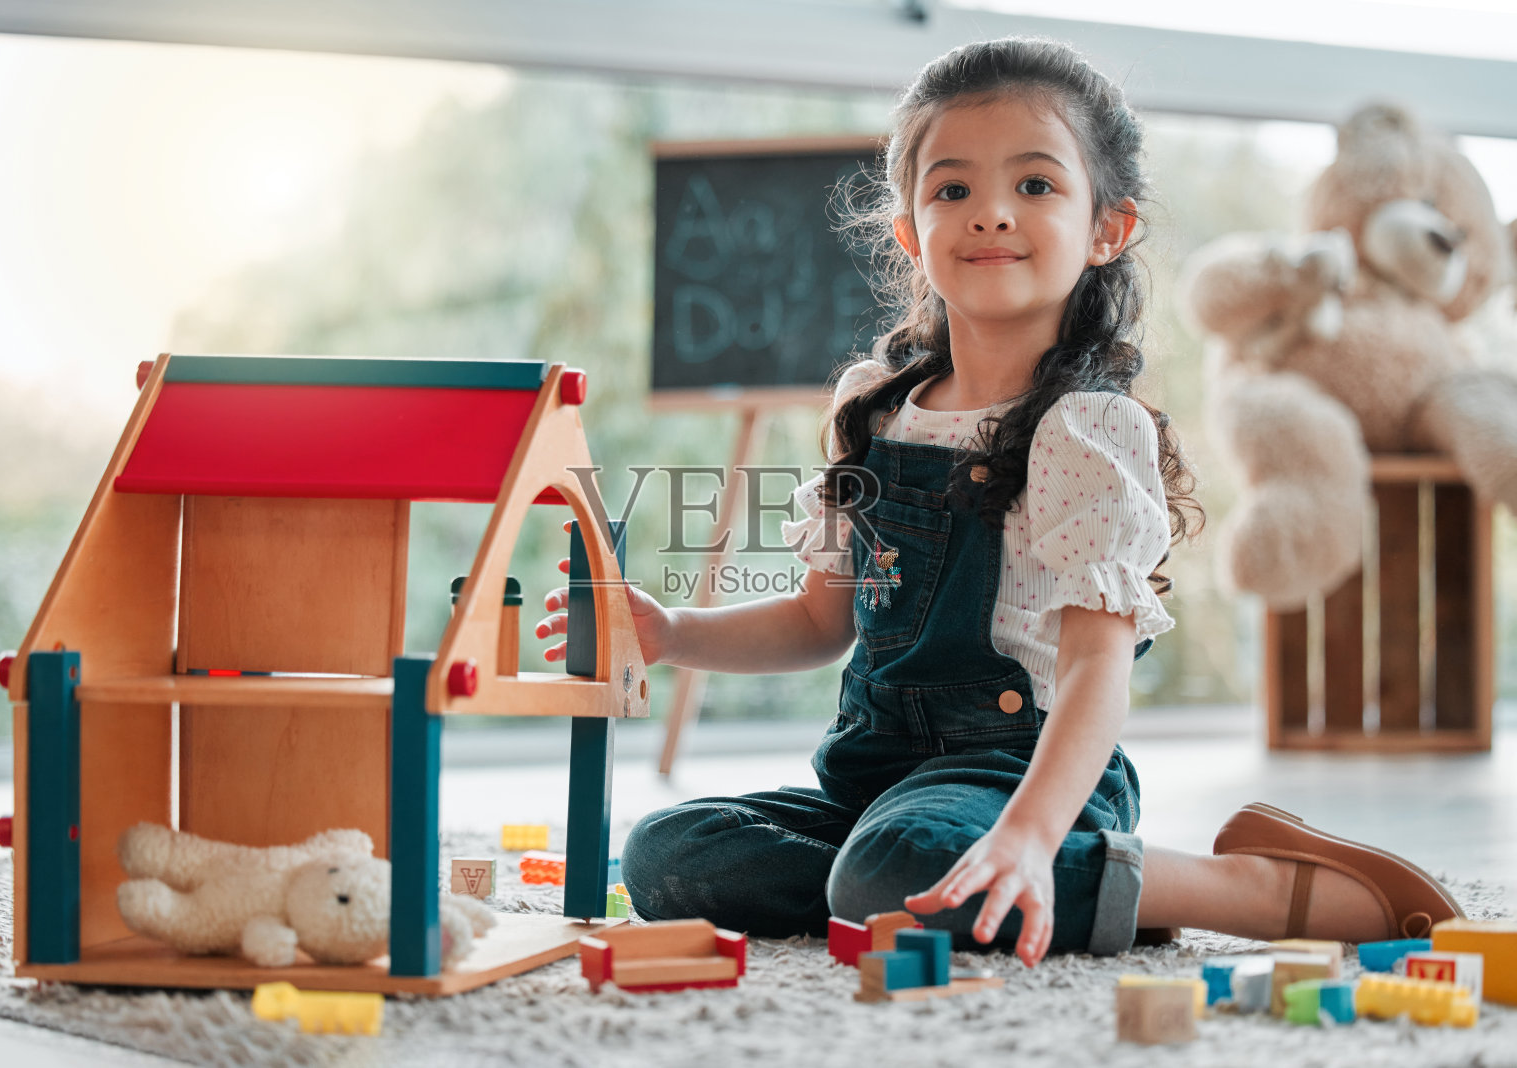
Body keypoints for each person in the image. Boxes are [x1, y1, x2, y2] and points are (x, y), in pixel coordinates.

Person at [538, 37, 1461, 963]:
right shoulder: (874, 407)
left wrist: (1023, 830)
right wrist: (671, 632)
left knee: (890, 869)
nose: (989, 215)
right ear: (908, 230)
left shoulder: (1083, 428)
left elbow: (1098, 672)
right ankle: (935, 891)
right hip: (877, 782)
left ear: (1108, 229)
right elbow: (824, 620)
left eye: (1034, 186)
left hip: (1024, 775)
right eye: (951, 191)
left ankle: (1228, 885)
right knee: (669, 855)